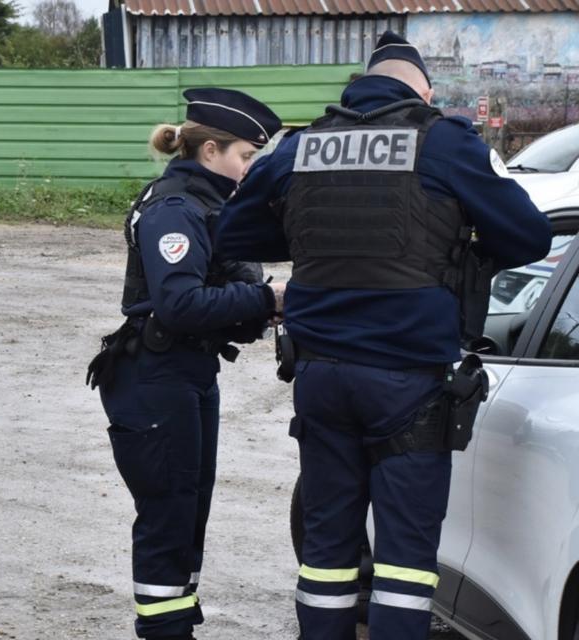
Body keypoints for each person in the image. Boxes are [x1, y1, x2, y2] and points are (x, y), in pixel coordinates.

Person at [216, 32, 551, 640]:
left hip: (318, 377)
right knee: (403, 562)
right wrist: (458, 246)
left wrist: (313, 242)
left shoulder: (301, 145)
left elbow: (232, 236)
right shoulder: (444, 141)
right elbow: (529, 237)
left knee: (326, 553)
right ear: (422, 88)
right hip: (408, 383)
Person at [86, 88, 285, 640]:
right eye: (245, 156)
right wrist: (270, 299)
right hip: (156, 376)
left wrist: (258, 303)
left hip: (189, 373)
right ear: (210, 150)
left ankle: (176, 623)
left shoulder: (214, 204)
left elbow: (226, 293)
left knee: (189, 507)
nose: (249, 169)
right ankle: (163, 630)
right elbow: (179, 305)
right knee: (168, 513)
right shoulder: (175, 207)